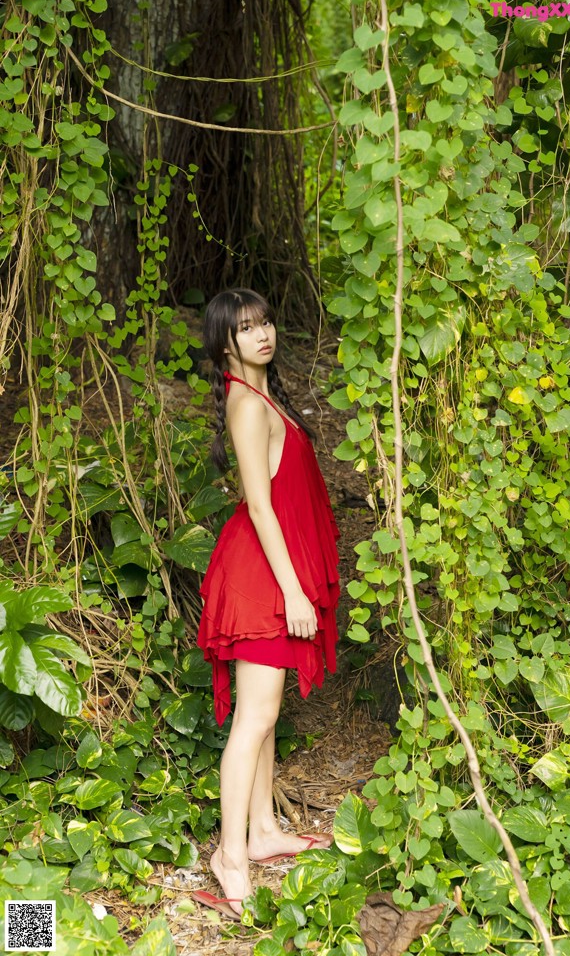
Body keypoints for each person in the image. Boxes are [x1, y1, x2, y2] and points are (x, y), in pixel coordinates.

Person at [194, 288, 340, 919]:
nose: (262, 335)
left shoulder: (262, 396)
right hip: (260, 580)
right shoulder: (245, 405)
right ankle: (231, 855)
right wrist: (292, 590)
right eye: (246, 328)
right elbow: (260, 507)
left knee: (266, 712)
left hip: (265, 572)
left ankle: (261, 831)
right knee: (253, 719)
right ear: (225, 343)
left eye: (266, 323)